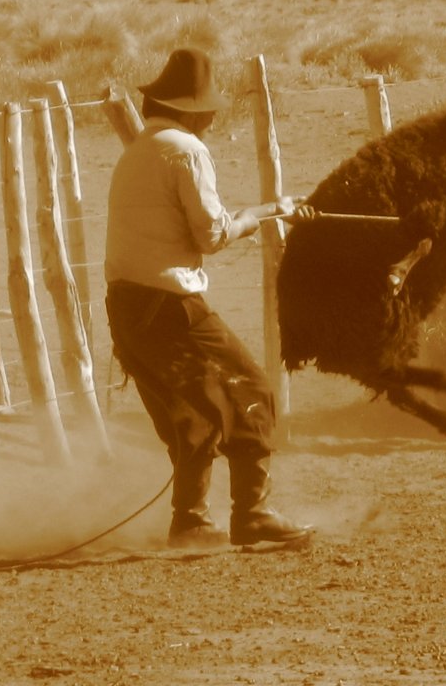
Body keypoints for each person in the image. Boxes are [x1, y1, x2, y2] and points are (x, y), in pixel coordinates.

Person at [105, 47, 315, 550]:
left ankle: (191, 522)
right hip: (171, 306)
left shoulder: (138, 150)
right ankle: (253, 514)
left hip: (128, 309)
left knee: (192, 417)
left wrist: (269, 209)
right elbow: (212, 235)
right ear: (194, 109)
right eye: (210, 107)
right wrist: (271, 211)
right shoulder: (187, 150)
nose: (216, 116)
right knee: (254, 391)